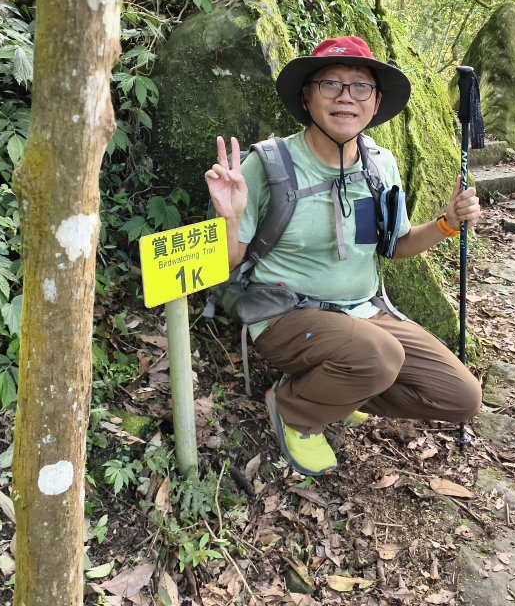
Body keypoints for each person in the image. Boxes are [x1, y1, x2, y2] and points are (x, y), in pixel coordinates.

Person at [204, 36, 483, 476]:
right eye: (330, 83)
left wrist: (447, 222)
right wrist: (231, 218)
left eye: (360, 87)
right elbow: (228, 264)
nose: (345, 97)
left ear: (375, 104)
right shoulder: (269, 166)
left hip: (365, 314)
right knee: (378, 355)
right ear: (307, 96)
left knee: (461, 398)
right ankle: (295, 410)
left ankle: (340, 389)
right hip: (284, 315)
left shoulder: (379, 166)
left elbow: (397, 245)